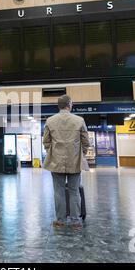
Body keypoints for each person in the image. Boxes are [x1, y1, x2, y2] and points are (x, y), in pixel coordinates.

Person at [43, 95, 90, 229]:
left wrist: (52, 153)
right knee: (74, 192)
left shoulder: (50, 121)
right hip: (74, 162)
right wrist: (81, 154)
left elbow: (46, 141)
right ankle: (75, 221)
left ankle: (61, 220)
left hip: (56, 162)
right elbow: (85, 142)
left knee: (58, 192)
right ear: (69, 104)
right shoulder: (79, 120)